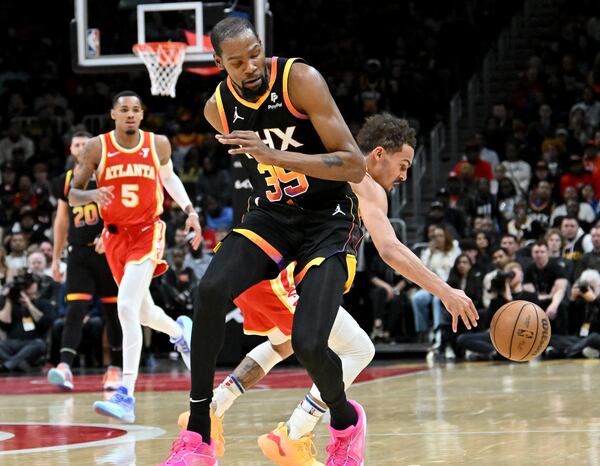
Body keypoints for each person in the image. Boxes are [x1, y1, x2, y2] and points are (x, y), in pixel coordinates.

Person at [163, 19, 476, 465]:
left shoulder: (300, 80)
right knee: (211, 292)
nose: (250, 65)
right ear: (219, 64)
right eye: (237, 60)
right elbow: (386, 247)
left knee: (305, 343)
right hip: (272, 219)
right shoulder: (218, 109)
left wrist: (274, 155)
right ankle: (199, 436)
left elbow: (349, 166)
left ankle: (340, 425)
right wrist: (445, 292)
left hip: (325, 224)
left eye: (255, 53)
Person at [68, 90, 202, 423]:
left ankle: (126, 395)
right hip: (114, 238)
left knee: (125, 306)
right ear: (113, 114)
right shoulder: (96, 147)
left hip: (147, 232)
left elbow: (169, 178)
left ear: (142, 115)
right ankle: (178, 332)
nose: (130, 114)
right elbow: (72, 195)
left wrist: (190, 211)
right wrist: (91, 193)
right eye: (124, 109)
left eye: (136, 110)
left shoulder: (157, 144)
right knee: (142, 311)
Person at [46, 131, 123, 392]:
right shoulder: (65, 181)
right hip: (78, 253)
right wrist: (56, 259)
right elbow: (61, 221)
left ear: (94, 148)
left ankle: (115, 369)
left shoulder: (108, 175)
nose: (81, 148)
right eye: (76, 144)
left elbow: (123, 210)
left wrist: (110, 233)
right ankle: (65, 367)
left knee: (113, 312)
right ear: (70, 149)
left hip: (108, 251)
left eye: (85, 144)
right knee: (75, 310)